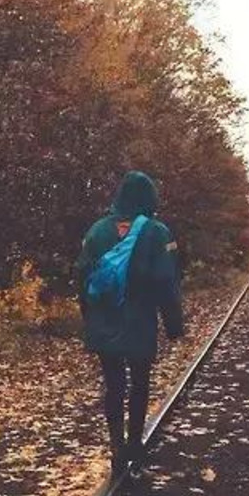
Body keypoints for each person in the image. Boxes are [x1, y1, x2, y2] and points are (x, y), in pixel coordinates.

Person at [76, 171, 184, 473]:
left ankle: (116, 445)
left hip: (104, 319)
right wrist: (173, 324)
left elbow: (81, 275)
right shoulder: (157, 231)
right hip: (140, 320)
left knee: (113, 384)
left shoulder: (97, 231)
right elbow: (167, 281)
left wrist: (89, 318)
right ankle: (135, 444)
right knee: (139, 383)